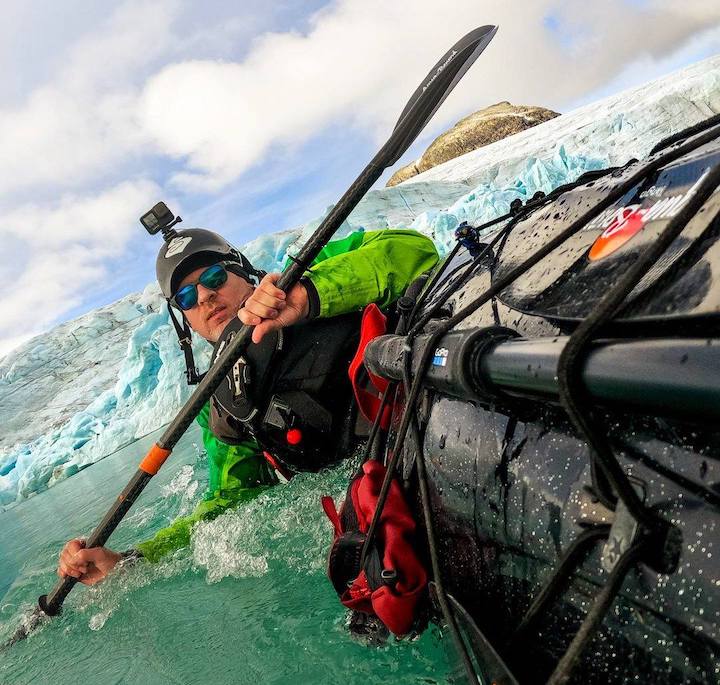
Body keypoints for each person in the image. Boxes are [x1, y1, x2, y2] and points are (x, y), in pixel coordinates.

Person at [57, 223, 439, 584]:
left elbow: (416, 251)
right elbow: (229, 502)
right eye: (188, 298)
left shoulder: (314, 271)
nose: (205, 296)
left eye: (214, 279)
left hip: (428, 415)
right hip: (390, 487)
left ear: (242, 272)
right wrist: (130, 560)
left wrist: (309, 294)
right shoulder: (220, 407)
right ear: (185, 320)